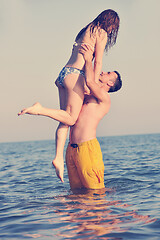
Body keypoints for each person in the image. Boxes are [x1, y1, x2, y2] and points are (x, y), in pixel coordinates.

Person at [18, 9, 120, 182]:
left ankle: (58, 158)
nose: (111, 31)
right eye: (113, 27)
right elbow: (99, 61)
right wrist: (92, 83)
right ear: (110, 23)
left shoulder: (86, 29)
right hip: (75, 74)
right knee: (71, 119)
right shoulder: (101, 33)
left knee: (65, 119)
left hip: (63, 73)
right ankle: (39, 109)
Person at [66, 44, 122, 189]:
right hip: (72, 149)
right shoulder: (88, 94)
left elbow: (91, 81)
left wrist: (88, 59)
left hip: (87, 149)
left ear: (110, 83)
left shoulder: (104, 98)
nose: (103, 72)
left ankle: (124, 212)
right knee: (77, 194)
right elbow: (86, 80)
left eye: (108, 73)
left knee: (95, 194)